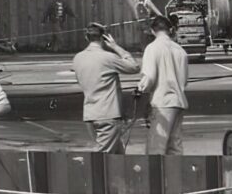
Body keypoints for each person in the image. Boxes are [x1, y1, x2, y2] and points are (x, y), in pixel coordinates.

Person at [70, 24, 140, 153]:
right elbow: (134, 67)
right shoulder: (108, 57)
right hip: (108, 114)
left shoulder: (77, 58)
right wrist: (115, 46)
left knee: (117, 154)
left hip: (90, 113)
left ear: (87, 37)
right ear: (103, 38)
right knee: (103, 158)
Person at [137, 15, 191, 154]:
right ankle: (177, 174)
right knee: (175, 146)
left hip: (162, 102)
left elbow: (149, 78)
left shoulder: (152, 48)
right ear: (170, 30)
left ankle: (156, 176)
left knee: (156, 147)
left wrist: (141, 89)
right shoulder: (180, 51)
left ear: (153, 31)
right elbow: (184, 80)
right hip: (178, 101)